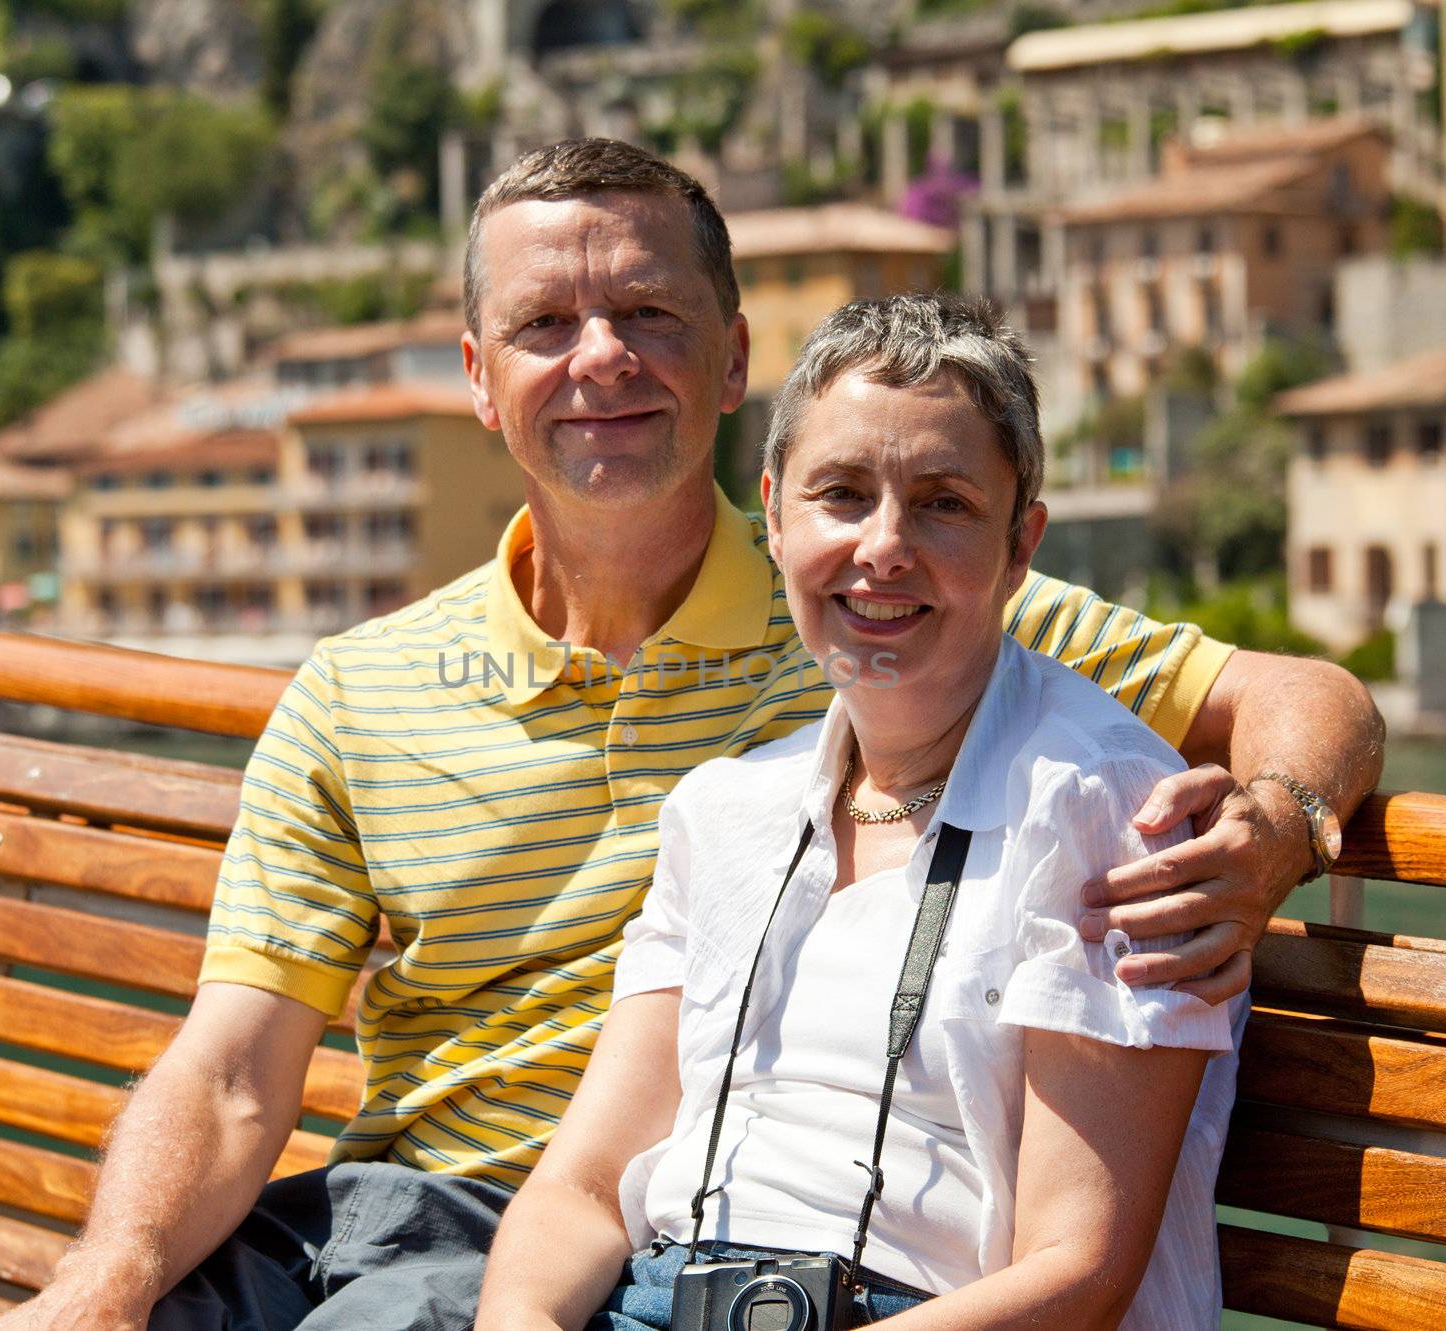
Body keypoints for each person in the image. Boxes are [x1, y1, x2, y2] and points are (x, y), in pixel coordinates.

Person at [0, 139, 1382, 1331]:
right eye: (546, 327)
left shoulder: (901, 608)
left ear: (732, 359)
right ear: (480, 375)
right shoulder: (364, 691)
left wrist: (1282, 822)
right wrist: (101, 1278)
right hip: (434, 1225)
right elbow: (232, 1074)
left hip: (630, 1252)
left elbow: (1307, 698)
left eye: (650, 313)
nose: (602, 360)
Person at [476, 292, 1243, 1331]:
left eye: (943, 504)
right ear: (775, 520)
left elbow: (1078, 1270)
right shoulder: (720, 813)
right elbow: (581, 1186)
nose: (884, 546)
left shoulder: (1102, 807)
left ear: (1020, 546)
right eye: (840, 494)